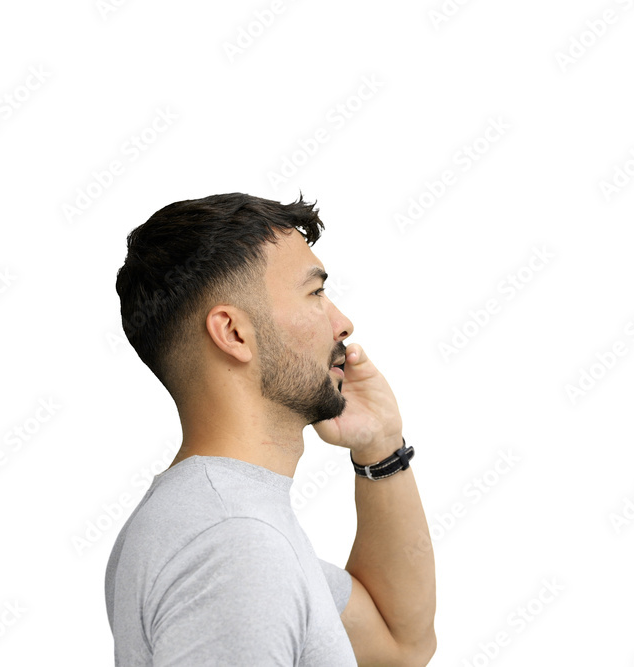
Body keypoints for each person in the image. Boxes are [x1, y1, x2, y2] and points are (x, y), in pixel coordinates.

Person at [105, 192, 437, 666]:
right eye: (316, 293)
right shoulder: (234, 543)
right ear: (235, 333)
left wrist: (380, 446)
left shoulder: (222, 518)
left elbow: (400, 647)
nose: (343, 323)